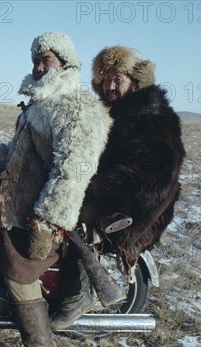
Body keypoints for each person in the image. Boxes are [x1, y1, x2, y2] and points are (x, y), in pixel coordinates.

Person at [0, 32, 112, 347]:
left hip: (42, 213)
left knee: (20, 271)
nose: (39, 66)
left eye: (47, 59)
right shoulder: (41, 105)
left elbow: (74, 168)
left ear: (66, 63)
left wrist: (49, 218)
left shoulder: (74, 106)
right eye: (36, 60)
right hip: (19, 204)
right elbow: (17, 154)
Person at [50, 45, 186, 330]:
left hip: (136, 207)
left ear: (135, 81)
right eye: (106, 79)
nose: (110, 86)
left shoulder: (150, 116)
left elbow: (150, 175)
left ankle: (78, 294)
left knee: (62, 211)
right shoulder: (118, 112)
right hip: (119, 194)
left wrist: (94, 188)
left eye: (118, 79)